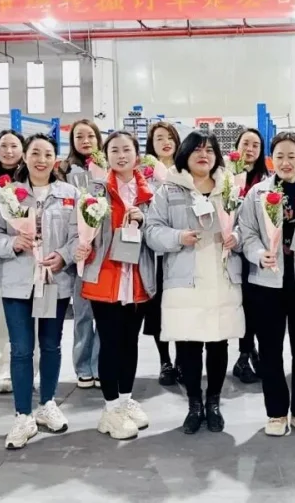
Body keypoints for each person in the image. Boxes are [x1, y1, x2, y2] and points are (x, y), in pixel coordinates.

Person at [0, 133, 78, 449]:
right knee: (21, 349)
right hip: (17, 283)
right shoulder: (8, 194)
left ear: (55, 159)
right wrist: (12, 243)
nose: (41, 160)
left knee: (51, 345)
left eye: (47, 154)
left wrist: (63, 255)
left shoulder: (69, 194)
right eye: (35, 153)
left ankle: (47, 403)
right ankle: (22, 415)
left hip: (54, 281)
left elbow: (80, 235)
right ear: (25, 157)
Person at [145, 131, 244, 434]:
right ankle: (194, 404)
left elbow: (246, 226)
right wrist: (178, 237)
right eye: (198, 150)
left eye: (210, 150)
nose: (204, 155)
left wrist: (236, 237)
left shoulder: (228, 187)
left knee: (218, 343)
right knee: (188, 346)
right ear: (185, 154)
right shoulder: (169, 189)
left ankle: (213, 402)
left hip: (221, 276)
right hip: (184, 279)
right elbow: (152, 231)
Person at [238, 132, 295, 437]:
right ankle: (275, 412)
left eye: (292, 156)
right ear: (271, 159)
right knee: (270, 350)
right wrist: (258, 254)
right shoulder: (257, 193)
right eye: (280, 156)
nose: (286, 162)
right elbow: (246, 232)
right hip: (266, 283)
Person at [75, 131, 155, 440]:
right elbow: (79, 227)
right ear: (105, 156)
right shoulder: (95, 190)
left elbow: (159, 230)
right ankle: (109, 410)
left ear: (137, 155)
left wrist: (143, 220)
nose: (121, 155)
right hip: (105, 276)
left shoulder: (151, 192)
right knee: (109, 343)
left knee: (130, 342)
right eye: (114, 150)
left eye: (126, 150)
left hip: (137, 276)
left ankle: (125, 400)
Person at [59, 119, 103, 389]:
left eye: (90, 136)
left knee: (104, 317)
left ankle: (100, 365)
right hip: (78, 252)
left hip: (105, 252)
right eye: (79, 136)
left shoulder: (107, 168)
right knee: (83, 313)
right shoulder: (63, 170)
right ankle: (83, 366)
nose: (85, 141)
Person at [0, 129, 29, 395]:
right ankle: (4, 370)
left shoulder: (33, 179)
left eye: (14, 146)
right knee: (0, 317)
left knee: (30, 320)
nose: (9, 151)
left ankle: (30, 368)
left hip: (29, 258)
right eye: (3, 146)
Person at [141, 121, 184, 386]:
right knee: (158, 310)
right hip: (154, 252)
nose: (165, 142)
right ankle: (165, 361)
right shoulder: (143, 174)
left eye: (170, 137)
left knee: (180, 307)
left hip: (182, 251)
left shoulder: (186, 170)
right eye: (159, 138)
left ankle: (182, 360)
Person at [229, 128, 269, 385]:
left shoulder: (268, 179)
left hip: (257, 253)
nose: (250, 149)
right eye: (246, 143)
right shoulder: (225, 176)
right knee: (237, 306)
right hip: (231, 251)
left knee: (254, 307)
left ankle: (248, 354)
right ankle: (245, 354)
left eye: (255, 145)